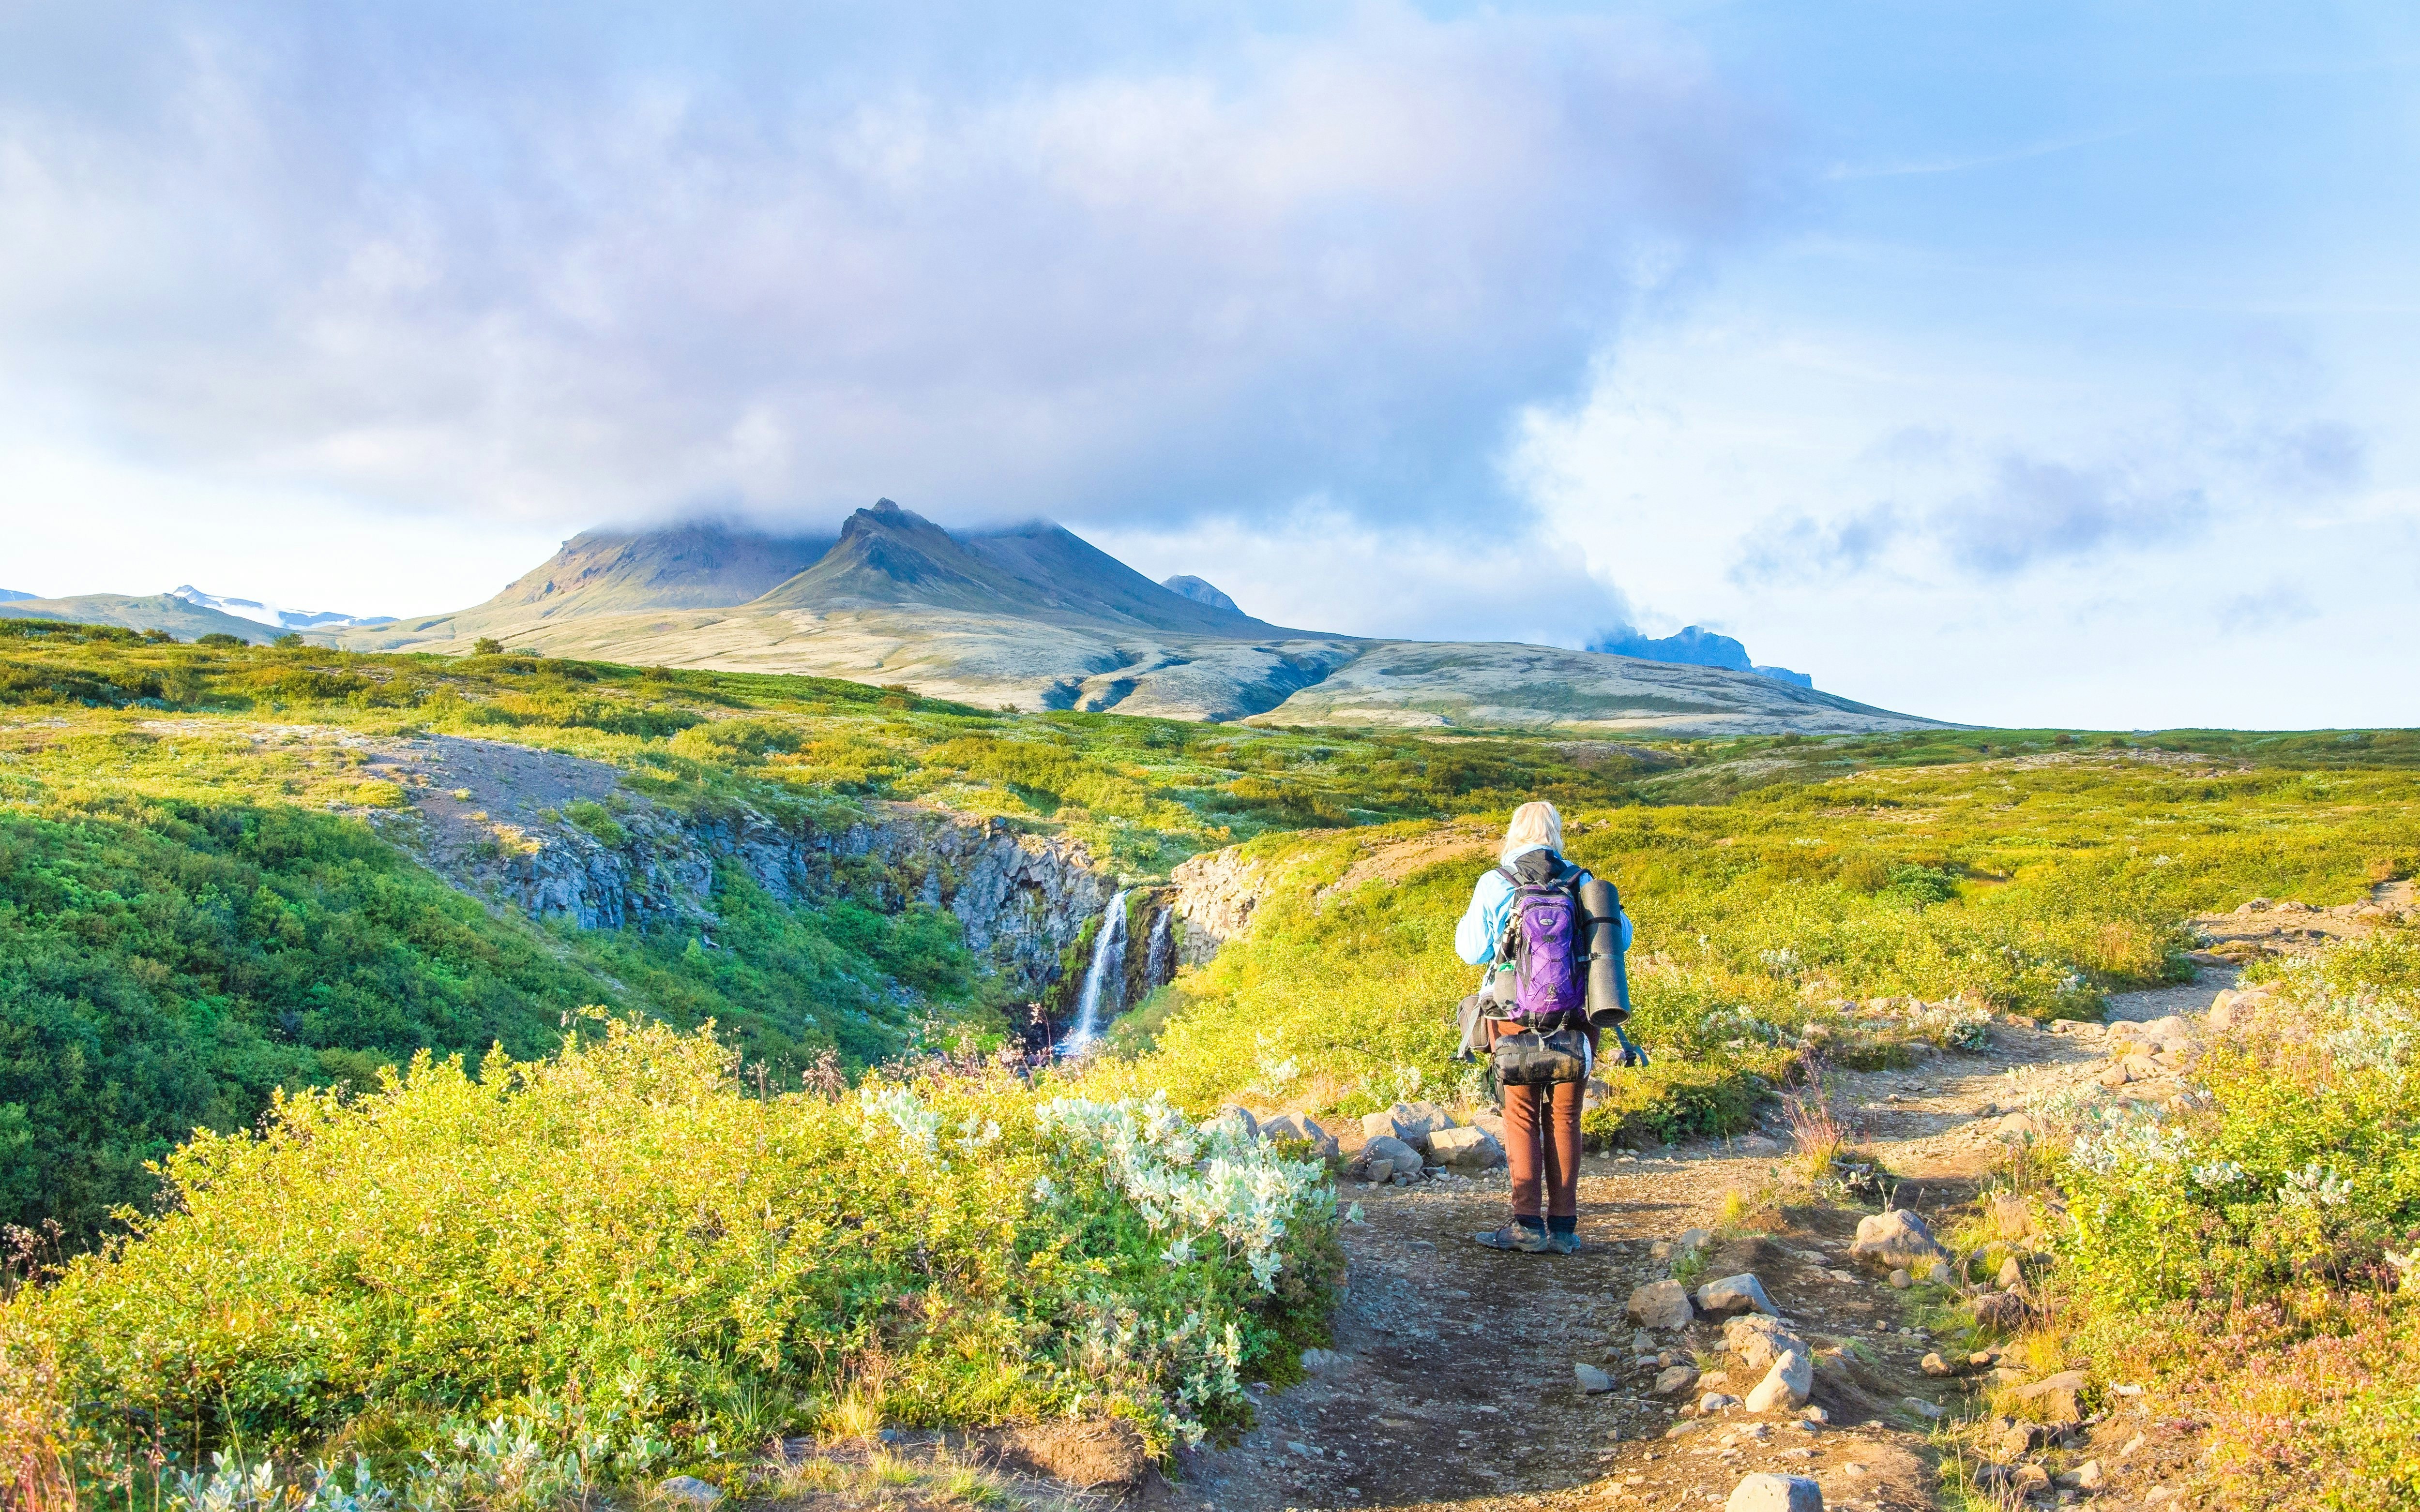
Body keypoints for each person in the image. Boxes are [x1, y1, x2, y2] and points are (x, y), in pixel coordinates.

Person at [1453, 800, 1631, 1255]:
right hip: (1577, 1018)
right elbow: (1621, 937)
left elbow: (1471, 950)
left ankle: (1527, 1224)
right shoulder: (1582, 880)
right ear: (1556, 832)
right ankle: (1565, 1229)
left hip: (1512, 1017)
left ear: (1513, 832)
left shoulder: (1496, 882)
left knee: (1522, 1115)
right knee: (1566, 1117)